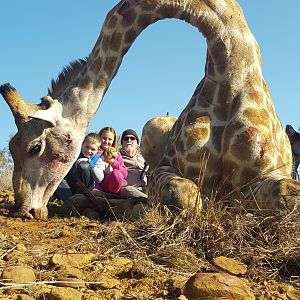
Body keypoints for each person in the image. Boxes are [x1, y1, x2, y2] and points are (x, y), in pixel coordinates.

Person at [92, 127, 128, 193]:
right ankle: (97, 191)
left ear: (113, 141)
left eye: (110, 139)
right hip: (97, 183)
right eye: (104, 138)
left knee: (117, 174)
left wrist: (113, 162)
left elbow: (125, 173)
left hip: (109, 183)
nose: (107, 141)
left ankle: (112, 195)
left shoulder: (116, 154)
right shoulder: (94, 151)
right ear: (99, 138)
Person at [119, 129, 149, 198]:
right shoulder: (118, 156)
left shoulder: (145, 156)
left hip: (146, 189)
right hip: (129, 190)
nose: (129, 140)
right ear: (122, 143)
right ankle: (149, 201)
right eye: (126, 138)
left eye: (132, 138)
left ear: (137, 143)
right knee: (128, 190)